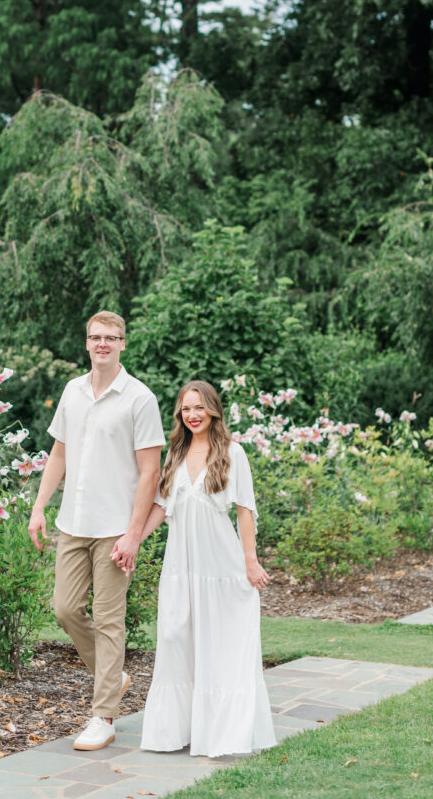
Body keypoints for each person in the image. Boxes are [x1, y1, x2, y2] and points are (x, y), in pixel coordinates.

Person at [28, 311, 165, 751]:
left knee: (109, 621)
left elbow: (151, 474)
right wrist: (39, 507)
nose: (102, 343)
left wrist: (133, 534)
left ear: (123, 343)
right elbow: (58, 454)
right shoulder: (72, 391)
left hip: (114, 528)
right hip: (73, 522)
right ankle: (115, 676)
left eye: (111, 337)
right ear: (86, 343)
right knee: (65, 609)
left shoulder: (139, 399)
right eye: (95, 337)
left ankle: (103, 715)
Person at [138, 380, 276, 759]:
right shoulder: (175, 453)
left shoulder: (233, 453)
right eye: (186, 409)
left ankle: (221, 733)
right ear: (180, 415)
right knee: (174, 639)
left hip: (221, 567)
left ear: (213, 410)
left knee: (219, 645)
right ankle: (177, 730)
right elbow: (162, 507)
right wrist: (133, 540)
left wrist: (250, 560)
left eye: (199, 407)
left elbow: (245, 510)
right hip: (181, 567)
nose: (193, 415)